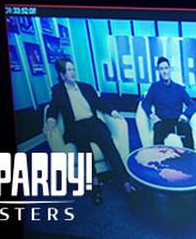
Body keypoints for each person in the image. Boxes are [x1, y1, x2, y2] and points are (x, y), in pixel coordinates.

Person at [44, 57, 136, 202]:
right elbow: (53, 107)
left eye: (73, 69)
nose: (73, 72)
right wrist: (50, 119)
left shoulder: (86, 87)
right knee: (82, 144)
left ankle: (124, 182)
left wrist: (112, 112)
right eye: (69, 70)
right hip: (75, 126)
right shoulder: (58, 91)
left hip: (93, 122)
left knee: (107, 141)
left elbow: (99, 102)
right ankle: (94, 183)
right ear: (62, 74)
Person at [140, 56, 196, 150]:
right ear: (159, 71)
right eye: (161, 69)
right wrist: (151, 115)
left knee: (186, 129)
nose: (164, 71)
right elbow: (145, 104)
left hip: (177, 120)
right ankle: (159, 161)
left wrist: (185, 115)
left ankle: (190, 160)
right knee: (158, 130)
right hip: (162, 121)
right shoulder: (154, 87)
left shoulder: (179, 88)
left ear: (170, 69)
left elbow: (192, 105)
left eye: (166, 68)